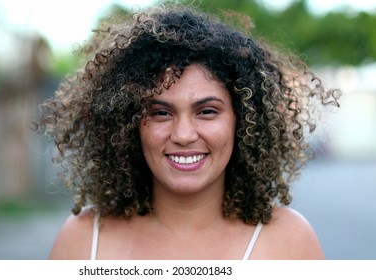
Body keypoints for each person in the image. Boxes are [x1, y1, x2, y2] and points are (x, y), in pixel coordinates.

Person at [35, 4, 340, 260]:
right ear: (127, 126)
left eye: (207, 111)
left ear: (244, 121)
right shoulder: (82, 241)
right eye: (161, 113)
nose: (183, 134)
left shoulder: (289, 243)